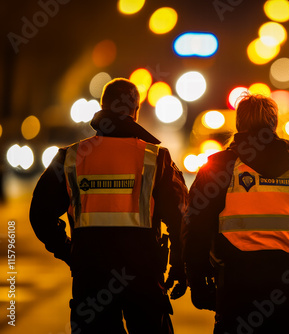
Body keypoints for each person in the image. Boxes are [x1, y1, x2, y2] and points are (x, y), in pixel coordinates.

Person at [29, 78, 188, 334]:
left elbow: (40, 215)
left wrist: (70, 252)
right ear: (135, 111)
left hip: (91, 279)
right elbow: (182, 217)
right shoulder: (156, 158)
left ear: (103, 106)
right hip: (144, 278)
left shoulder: (69, 158)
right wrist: (181, 265)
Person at [182, 94, 289, 333]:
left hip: (235, 285)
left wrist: (197, 281)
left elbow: (195, 227)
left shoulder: (219, 167)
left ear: (239, 125)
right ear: (274, 124)